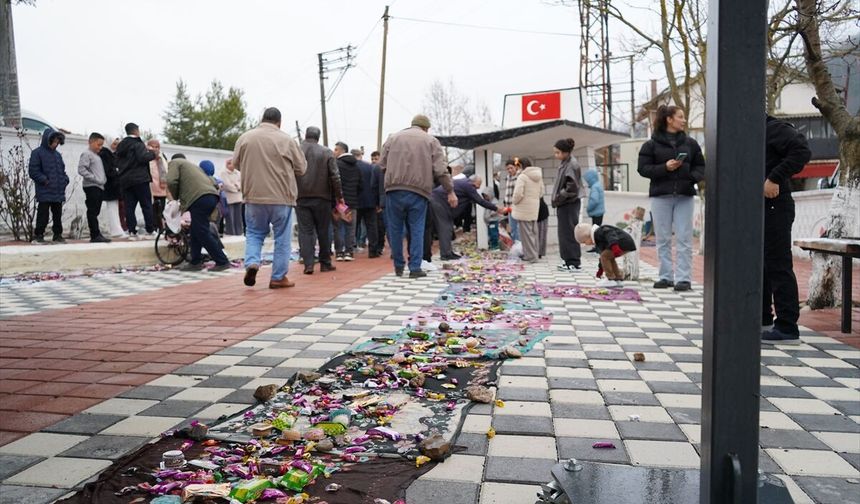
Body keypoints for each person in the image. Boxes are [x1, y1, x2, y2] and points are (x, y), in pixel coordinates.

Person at [233, 107, 307, 288]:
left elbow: (236, 163)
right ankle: (278, 277)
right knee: (282, 237)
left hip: (253, 196)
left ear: (262, 118)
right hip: (281, 196)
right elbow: (302, 168)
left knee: (254, 233)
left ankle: (252, 263)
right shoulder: (286, 140)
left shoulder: (245, 137)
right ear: (279, 122)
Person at [637, 105, 705, 292]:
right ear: (669, 119)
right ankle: (665, 276)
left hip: (685, 196)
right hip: (660, 197)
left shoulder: (691, 144)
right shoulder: (650, 145)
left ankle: (683, 278)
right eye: (680, 116)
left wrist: (691, 178)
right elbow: (643, 169)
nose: (684, 120)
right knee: (663, 238)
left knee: (684, 238)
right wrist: (665, 168)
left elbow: (701, 166)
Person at [379, 114, 456, 278]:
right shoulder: (431, 141)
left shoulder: (393, 138)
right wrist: (450, 190)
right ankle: (415, 268)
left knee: (395, 229)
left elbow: (382, 164)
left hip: (394, 189)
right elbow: (440, 170)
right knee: (417, 228)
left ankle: (398, 266)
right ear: (426, 128)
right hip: (418, 191)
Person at [761, 115, 811, 344]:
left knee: (778, 264)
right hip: (757, 207)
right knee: (759, 264)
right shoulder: (748, 131)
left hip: (775, 205)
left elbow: (801, 151)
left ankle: (787, 326)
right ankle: (762, 317)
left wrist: (774, 177)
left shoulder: (774, 128)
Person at [165, 158, 230, 271]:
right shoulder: (192, 167)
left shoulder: (174, 163)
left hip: (200, 198)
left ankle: (222, 261)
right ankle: (195, 261)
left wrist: (175, 197)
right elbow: (212, 181)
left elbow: (171, 181)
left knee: (202, 232)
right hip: (210, 197)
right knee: (195, 230)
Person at [297, 126, 342, 274]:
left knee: (305, 231)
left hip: (301, 196)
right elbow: (335, 176)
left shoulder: (297, 150)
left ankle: (308, 264)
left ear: (306, 135)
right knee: (323, 230)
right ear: (318, 137)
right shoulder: (326, 152)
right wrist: (339, 196)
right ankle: (325, 262)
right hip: (322, 197)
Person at [431, 175, 500, 260]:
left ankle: (448, 252)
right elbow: (480, 201)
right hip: (439, 203)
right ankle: (445, 254)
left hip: (439, 202)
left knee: (448, 227)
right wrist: (497, 208)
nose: (476, 189)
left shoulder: (463, 183)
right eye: (476, 186)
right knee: (445, 227)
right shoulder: (468, 186)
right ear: (472, 182)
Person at [116, 123, 158, 240]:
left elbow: (117, 161)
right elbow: (142, 157)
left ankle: (132, 231)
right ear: (137, 131)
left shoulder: (121, 145)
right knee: (146, 205)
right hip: (140, 179)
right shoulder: (138, 143)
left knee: (129, 207)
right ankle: (150, 230)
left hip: (125, 180)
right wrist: (153, 153)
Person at [29, 128, 69, 244]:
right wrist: (45, 181)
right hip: (45, 190)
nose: (55, 144)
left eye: (57, 142)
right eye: (54, 141)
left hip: (58, 191)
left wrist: (65, 180)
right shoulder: (37, 153)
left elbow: (62, 171)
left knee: (57, 215)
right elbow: (33, 171)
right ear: (48, 140)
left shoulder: (58, 155)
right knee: (43, 214)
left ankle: (57, 235)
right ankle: (38, 236)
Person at [551, 138, 585, 272]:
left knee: (569, 233)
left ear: (565, 152)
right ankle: (568, 260)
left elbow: (572, 188)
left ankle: (573, 262)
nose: (556, 155)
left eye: (558, 152)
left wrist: (559, 197)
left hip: (568, 204)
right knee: (565, 233)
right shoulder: (566, 162)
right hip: (565, 203)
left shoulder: (572, 164)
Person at [574, 223, 637, 288]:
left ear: (588, 236)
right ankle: (618, 279)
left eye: (584, 242)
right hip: (625, 243)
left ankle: (610, 279)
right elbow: (602, 257)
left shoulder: (599, 231)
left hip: (622, 242)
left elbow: (610, 234)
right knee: (608, 258)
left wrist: (614, 246)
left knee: (605, 256)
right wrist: (600, 269)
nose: (586, 244)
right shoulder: (598, 240)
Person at [77, 132, 111, 243]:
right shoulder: (86, 154)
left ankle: (97, 233)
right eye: (98, 144)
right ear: (90, 142)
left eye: (102, 145)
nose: (100, 148)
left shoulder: (96, 156)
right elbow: (82, 170)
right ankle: (95, 234)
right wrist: (95, 179)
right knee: (92, 211)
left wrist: (103, 181)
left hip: (99, 187)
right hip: (91, 186)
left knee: (95, 211)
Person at [333, 141, 362, 261]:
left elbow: (333, 181)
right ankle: (349, 252)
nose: (334, 152)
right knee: (350, 227)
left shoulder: (336, 164)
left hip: (339, 202)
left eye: (336, 150)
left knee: (338, 226)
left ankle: (339, 252)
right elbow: (361, 184)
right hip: (352, 201)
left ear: (342, 151)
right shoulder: (356, 166)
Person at [512, 159, 543, 263]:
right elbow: (541, 192)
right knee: (534, 233)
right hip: (534, 208)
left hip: (523, 209)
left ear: (521, 166)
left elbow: (518, 194)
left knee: (526, 235)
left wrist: (514, 202)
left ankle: (530, 256)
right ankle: (535, 254)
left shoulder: (522, 176)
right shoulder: (538, 176)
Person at [355, 146, 381, 258]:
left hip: (355, 201)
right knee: (371, 226)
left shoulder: (351, 167)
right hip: (370, 200)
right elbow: (375, 184)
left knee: (354, 226)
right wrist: (377, 201)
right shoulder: (370, 167)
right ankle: (373, 250)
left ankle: (351, 247)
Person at [100, 138, 125, 238]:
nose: (116, 146)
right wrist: (117, 171)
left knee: (114, 208)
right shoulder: (105, 154)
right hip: (110, 185)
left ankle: (117, 229)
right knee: (112, 208)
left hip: (113, 185)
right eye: (114, 143)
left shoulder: (111, 153)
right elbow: (108, 170)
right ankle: (116, 230)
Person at [148, 139, 169, 231]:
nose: (155, 149)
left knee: (161, 209)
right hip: (151, 188)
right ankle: (153, 227)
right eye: (152, 146)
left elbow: (166, 169)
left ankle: (161, 228)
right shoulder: (146, 157)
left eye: (157, 147)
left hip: (162, 188)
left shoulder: (162, 156)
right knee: (152, 209)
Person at [219, 158, 243, 235]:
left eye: (231, 163)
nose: (230, 164)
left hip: (239, 199)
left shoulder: (239, 173)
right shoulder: (223, 173)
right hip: (229, 199)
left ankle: (239, 233)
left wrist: (237, 186)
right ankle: (231, 234)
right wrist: (236, 187)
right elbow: (226, 185)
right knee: (230, 218)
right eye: (228, 163)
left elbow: (242, 183)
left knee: (238, 218)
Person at [584, 168, 605, 253]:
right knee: (597, 230)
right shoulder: (598, 185)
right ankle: (597, 246)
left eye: (587, 180)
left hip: (596, 213)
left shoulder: (595, 187)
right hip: (599, 212)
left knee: (595, 231)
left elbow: (594, 200)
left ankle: (598, 247)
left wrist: (588, 208)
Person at [370, 150, 386, 257]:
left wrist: (376, 203)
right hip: (395, 198)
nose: (374, 161)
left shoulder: (376, 168)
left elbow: (373, 186)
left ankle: (378, 247)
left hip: (382, 200)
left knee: (381, 225)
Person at [503, 159, 522, 242]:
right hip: (509, 207)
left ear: (515, 167)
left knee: (518, 228)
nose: (510, 170)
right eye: (508, 169)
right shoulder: (508, 178)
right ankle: (515, 245)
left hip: (517, 207)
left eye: (511, 168)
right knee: (513, 228)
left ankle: (520, 247)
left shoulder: (520, 177)